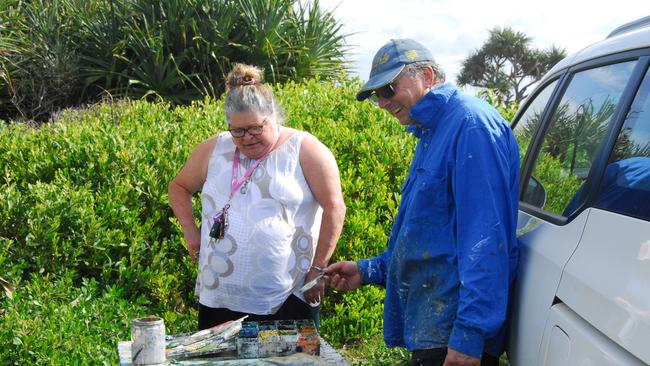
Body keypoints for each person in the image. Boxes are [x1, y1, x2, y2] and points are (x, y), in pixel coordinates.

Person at [326, 39, 520, 366]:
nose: (383, 102)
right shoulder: (432, 131)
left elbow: (485, 239)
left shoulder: (469, 126)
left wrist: (469, 336)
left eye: (388, 89)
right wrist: (367, 270)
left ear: (427, 76)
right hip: (435, 327)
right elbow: (428, 237)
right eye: (377, 95)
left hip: (453, 334)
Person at [168, 63, 345, 330]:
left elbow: (335, 208)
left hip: (287, 296)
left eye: (255, 128)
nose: (247, 138)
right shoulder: (214, 148)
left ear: (273, 116)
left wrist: (318, 270)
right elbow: (179, 187)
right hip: (220, 296)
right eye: (237, 131)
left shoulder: (306, 149)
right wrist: (191, 233)